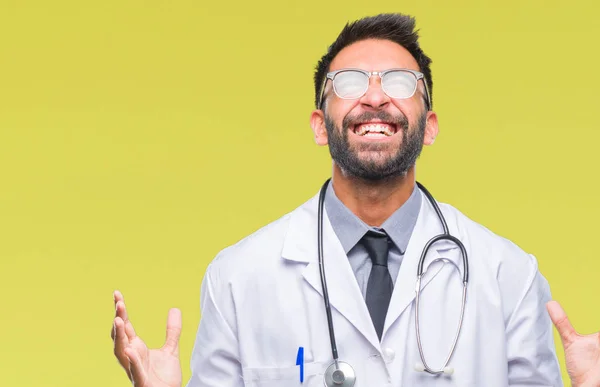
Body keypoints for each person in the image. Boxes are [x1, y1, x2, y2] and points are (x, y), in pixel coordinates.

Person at [111, 13, 600, 387]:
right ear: (320, 125)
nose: (374, 97)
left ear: (428, 126)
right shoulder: (238, 276)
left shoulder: (507, 275)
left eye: (400, 82)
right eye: (348, 83)